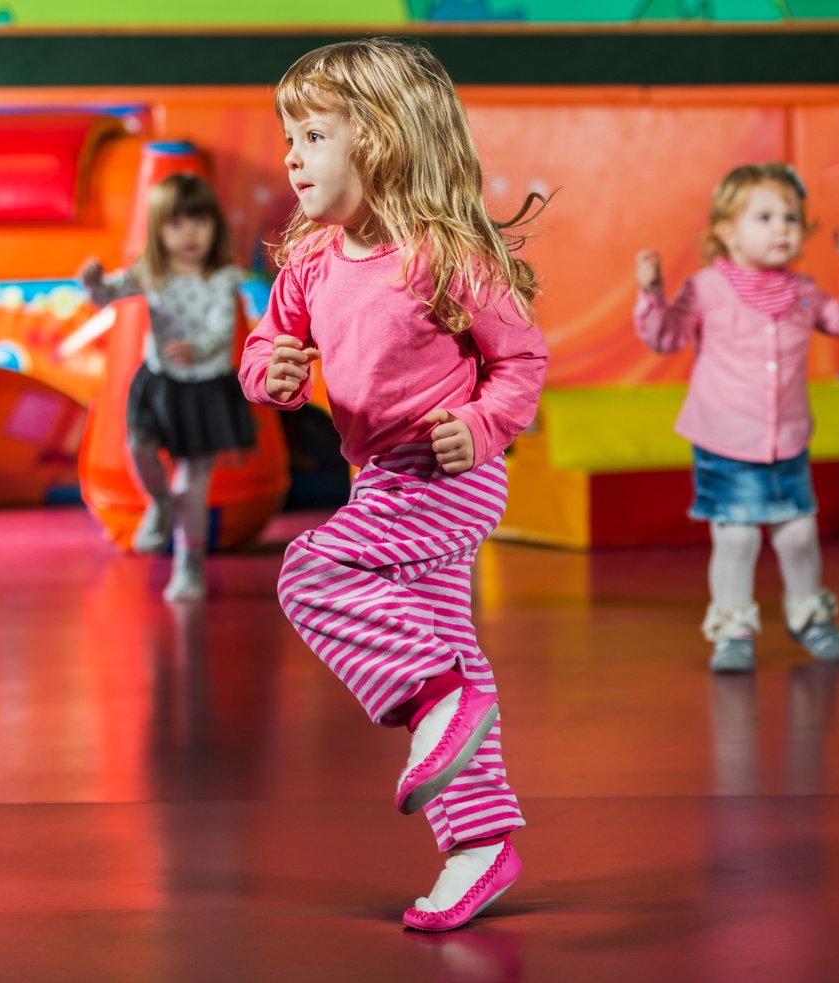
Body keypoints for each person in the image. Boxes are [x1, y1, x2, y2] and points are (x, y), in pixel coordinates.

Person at [238, 38, 548, 932]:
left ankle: (438, 695)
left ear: (377, 140)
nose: (291, 154)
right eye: (286, 135)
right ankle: (481, 844)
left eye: (313, 134)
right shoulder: (309, 260)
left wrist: (483, 427)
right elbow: (265, 347)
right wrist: (276, 373)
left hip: (449, 475)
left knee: (311, 572)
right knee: (452, 645)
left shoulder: (444, 254)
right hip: (377, 481)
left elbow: (522, 360)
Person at [633, 162, 839, 674]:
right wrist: (652, 294)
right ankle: (734, 627)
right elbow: (666, 336)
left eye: (790, 216)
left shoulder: (805, 291)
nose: (782, 227)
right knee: (737, 538)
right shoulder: (707, 288)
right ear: (726, 232)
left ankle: (808, 615)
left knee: (798, 533)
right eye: (764, 217)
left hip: (785, 441)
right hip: (725, 440)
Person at [78, 173, 256, 602]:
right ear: (157, 230)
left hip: (206, 389)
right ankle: (158, 503)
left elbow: (222, 326)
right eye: (175, 224)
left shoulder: (220, 277)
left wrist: (200, 348)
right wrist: (92, 282)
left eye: (199, 222)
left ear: (215, 225)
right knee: (138, 447)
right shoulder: (151, 272)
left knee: (192, 485)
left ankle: (188, 565)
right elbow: (109, 295)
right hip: (159, 382)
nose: (189, 233)